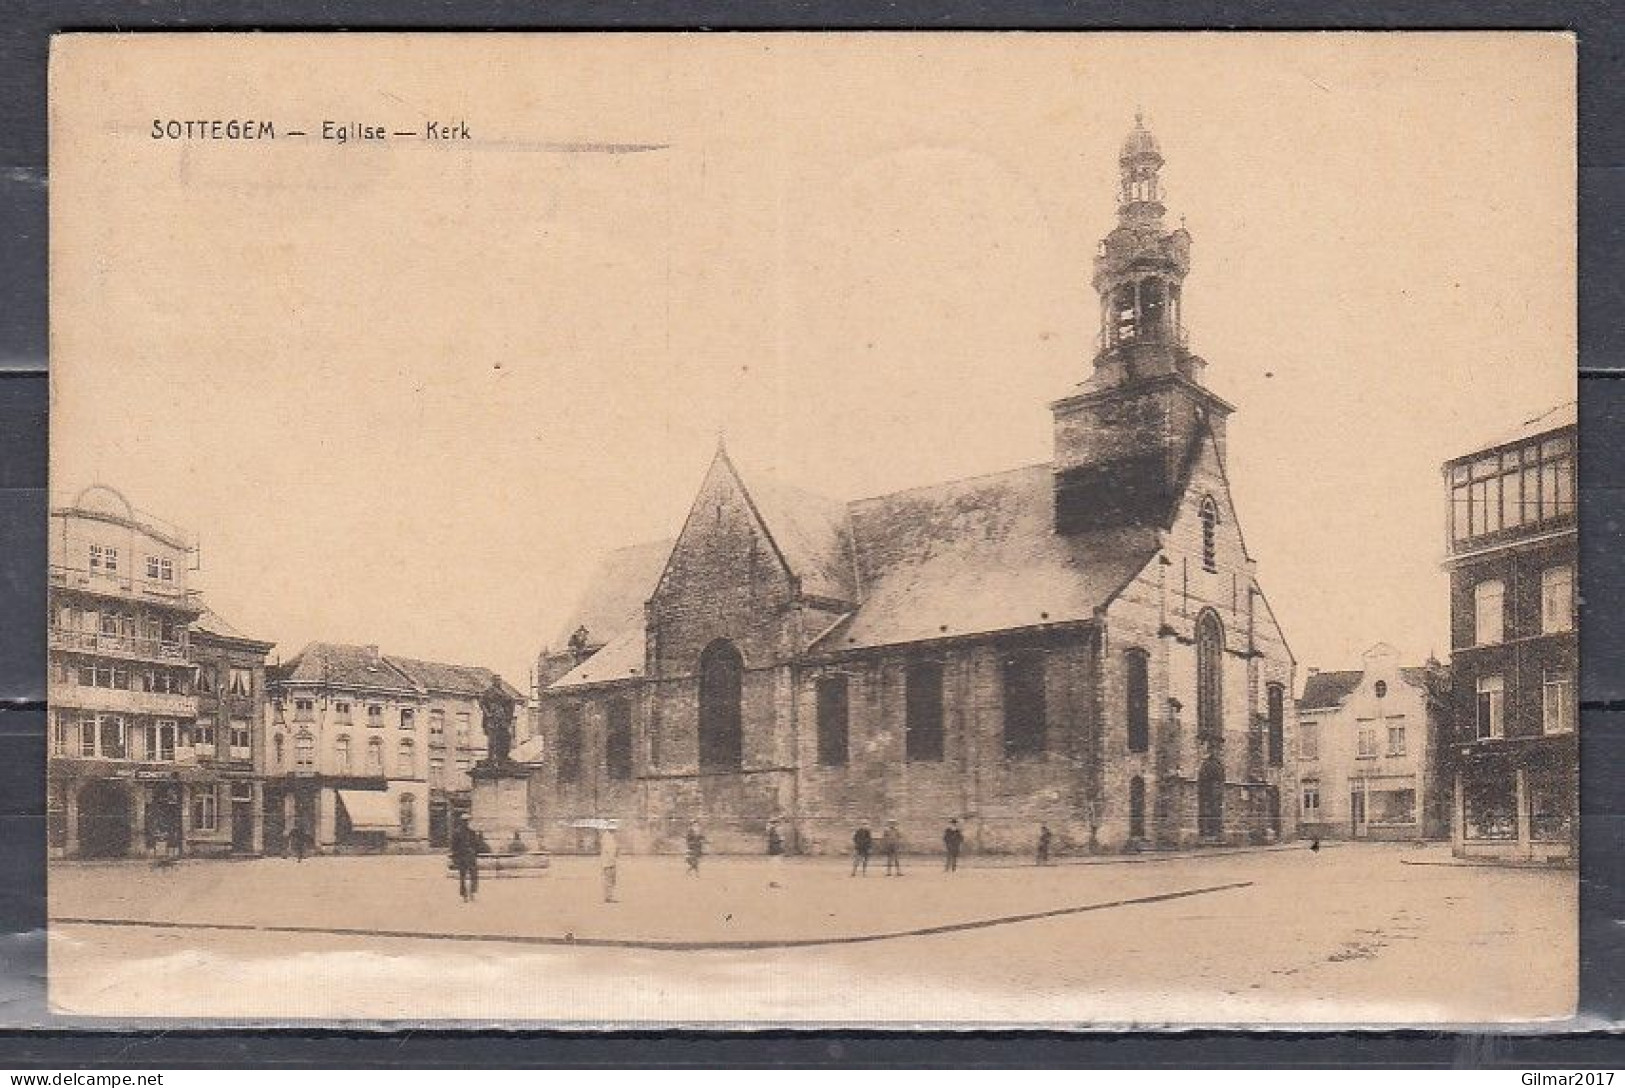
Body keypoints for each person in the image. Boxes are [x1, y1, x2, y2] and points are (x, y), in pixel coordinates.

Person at [450, 814, 481, 902]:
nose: (466, 822)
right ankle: (464, 895)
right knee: (463, 876)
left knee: (473, 875)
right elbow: (454, 846)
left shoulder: (471, 832)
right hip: (462, 856)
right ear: (461, 822)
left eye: (467, 821)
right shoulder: (457, 833)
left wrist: (474, 851)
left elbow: (476, 844)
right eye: (464, 821)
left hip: (470, 856)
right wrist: (455, 857)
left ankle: (472, 892)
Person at [599, 826, 619, 903]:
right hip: (609, 862)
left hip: (608, 862)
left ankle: (609, 896)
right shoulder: (608, 838)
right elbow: (611, 851)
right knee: (610, 880)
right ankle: (608, 897)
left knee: (610, 880)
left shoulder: (608, 837)